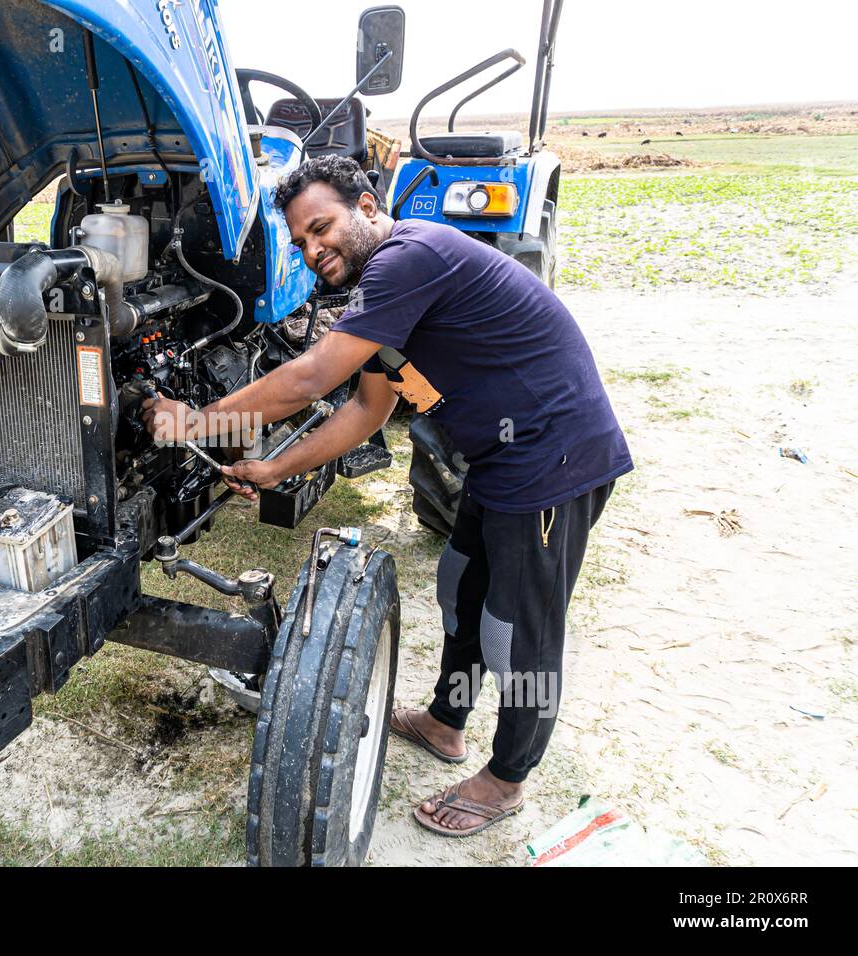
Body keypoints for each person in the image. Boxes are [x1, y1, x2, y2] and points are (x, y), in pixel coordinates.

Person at [143, 155, 632, 838]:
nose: (315, 250)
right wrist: (279, 469)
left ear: (368, 206)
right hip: (499, 457)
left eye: (323, 227)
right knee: (461, 590)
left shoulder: (412, 254)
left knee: (517, 632)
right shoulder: (383, 291)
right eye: (302, 242)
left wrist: (194, 423)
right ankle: (445, 721)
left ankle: (508, 779)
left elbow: (310, 378)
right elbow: (368, 412)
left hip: (555, 455)